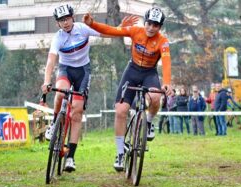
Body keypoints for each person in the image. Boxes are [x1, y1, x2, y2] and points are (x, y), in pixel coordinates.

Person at [41, 4, 138, 172]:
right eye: (61, 21)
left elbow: (106, 32)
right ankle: (54, 123)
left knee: (77, 112)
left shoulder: (83, 28)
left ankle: (70, 157)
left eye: (67, 19)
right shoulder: (58, 38)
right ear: (57, 23)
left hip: (83, 72)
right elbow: (51, 61)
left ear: (73, 17)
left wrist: (120, 28)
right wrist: (46, 80)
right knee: (60, 94)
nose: (65, 23)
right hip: (65, 70)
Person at [83, 7, 173, 171]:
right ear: (145, 22)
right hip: (132, 71)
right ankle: (119, 153)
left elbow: (166, 63)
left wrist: (166, 82)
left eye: (156, 25)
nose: (151, 28)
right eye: (149, 24)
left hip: (149, 73)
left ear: (160, 27)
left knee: (155, 97)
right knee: (121, 111)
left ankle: (149, 121)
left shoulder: (163, 41)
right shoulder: (135, 31)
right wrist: (92, 24)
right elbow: (112, 30)